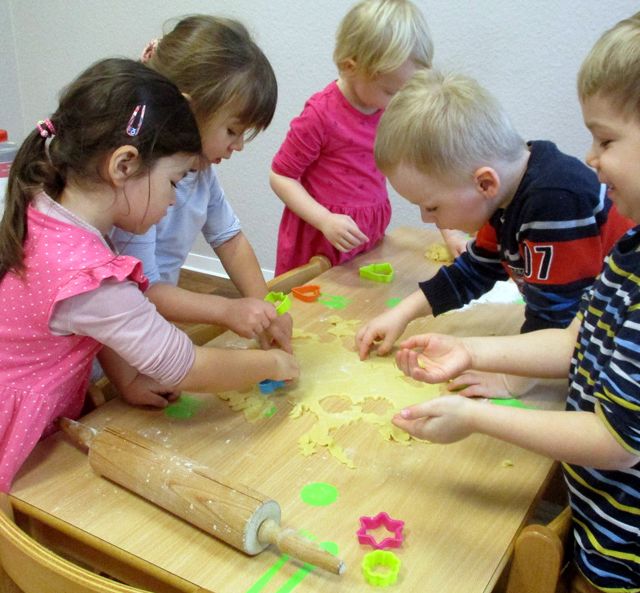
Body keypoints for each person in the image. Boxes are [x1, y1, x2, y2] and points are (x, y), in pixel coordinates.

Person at [391, 13, 640, 592]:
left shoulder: (559, 196)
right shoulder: (632, 245)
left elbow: (617, 442)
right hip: (598, 520)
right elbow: (577, 340)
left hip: (625, 556)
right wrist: (466, 347)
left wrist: (477, 416)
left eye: (606, 139)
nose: (592, 158)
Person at [0, 58, 298, 492]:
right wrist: (271, 363)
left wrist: (128, 377)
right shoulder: (91, 273)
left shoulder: (49, 208)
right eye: (175, 182)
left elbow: (94, 327)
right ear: (124, 166)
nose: (175, 201)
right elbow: (185, 365)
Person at [356, 69, 633, 398]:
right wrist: (402, 313)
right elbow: (472, 272)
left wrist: (511, 380)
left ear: (484, 183)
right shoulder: (503, 198)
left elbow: (556, 313)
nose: (427, 219)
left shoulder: (553, 200)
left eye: (431, 206)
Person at [111, 15, 292, 354]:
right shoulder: (137, 183)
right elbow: (143, 288)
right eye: (232, 131)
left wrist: (268, 308)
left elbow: (231, 240)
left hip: (149, 329)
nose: (238, 146)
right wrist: (227, 310)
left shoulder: (202, 172)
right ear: (187, 110)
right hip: (111, 344)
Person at [269, 0, 433, 275]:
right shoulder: (321, 114)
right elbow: (281, 176)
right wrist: (325, 220)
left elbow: (419, 167)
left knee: (359, 307)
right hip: (320, 240)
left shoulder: (387, 111)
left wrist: (448, 228)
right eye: (391, 92)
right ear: (350, 67)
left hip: (366, 233)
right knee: (310, 313)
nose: (398, 103)